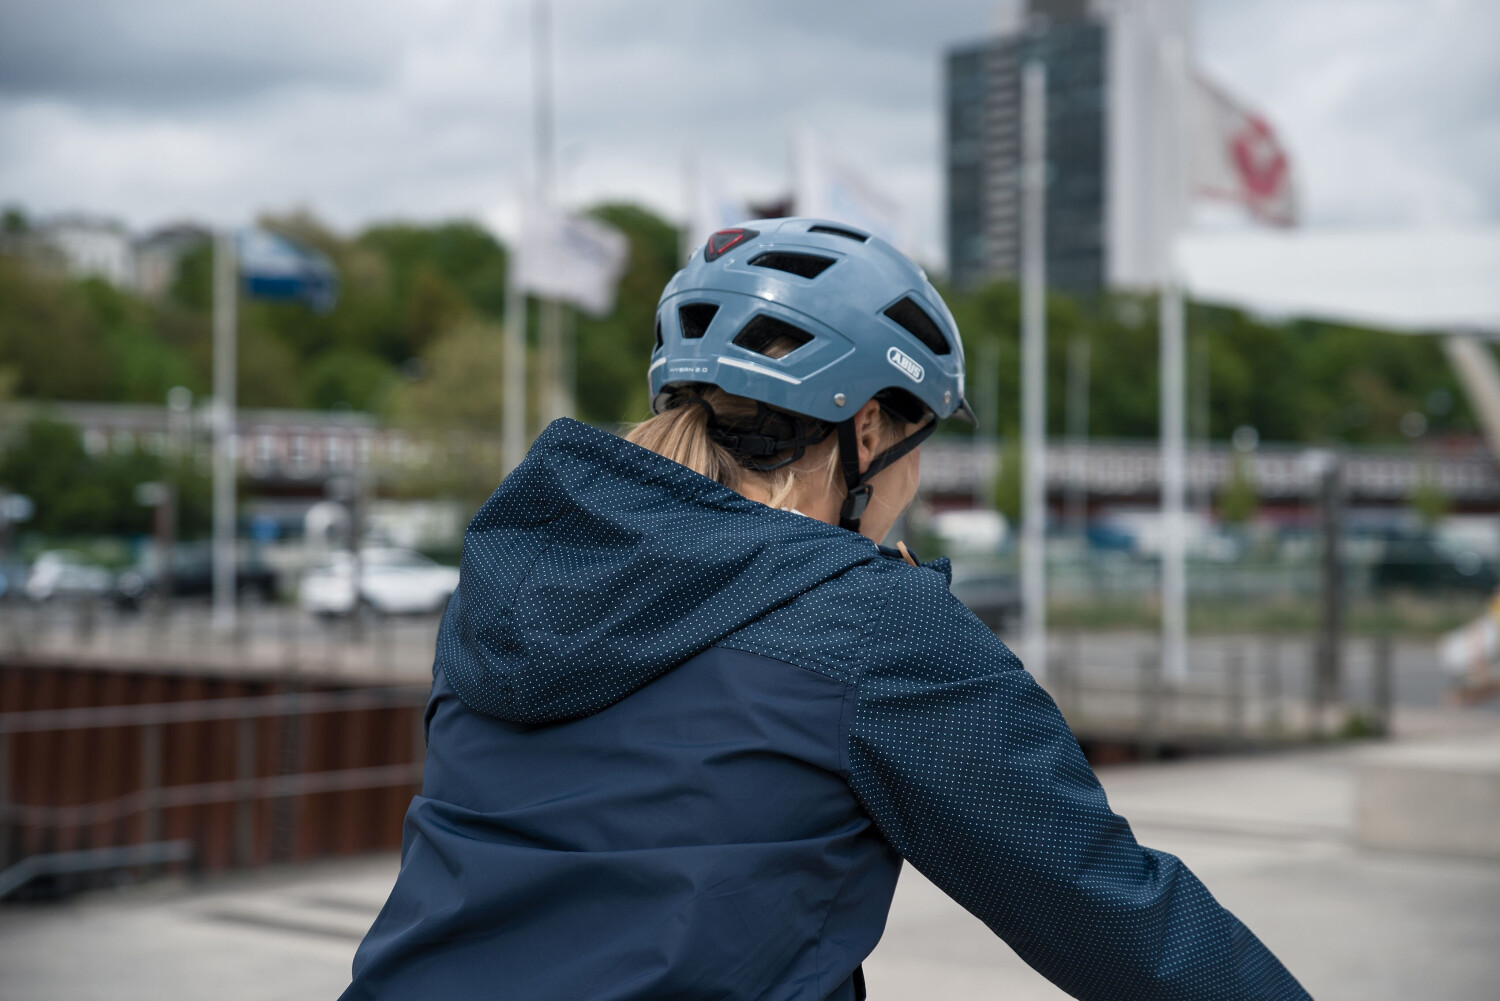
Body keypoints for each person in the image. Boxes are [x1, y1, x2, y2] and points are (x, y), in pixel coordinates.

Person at [342, 219, 1309, 1000]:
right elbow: (1113, 915)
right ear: (868, 428)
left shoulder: (516, 568)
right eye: (919, 440)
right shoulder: (870, 626)